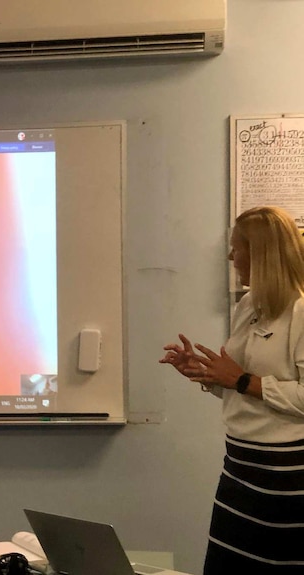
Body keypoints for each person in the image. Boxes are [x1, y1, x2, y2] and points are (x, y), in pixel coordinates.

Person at [159, 206, 304, 574]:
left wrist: (239, 380)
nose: (230, 257)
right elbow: (241, 384)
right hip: (239, 468)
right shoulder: (248, 305)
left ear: (261, 253)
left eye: (236, 247)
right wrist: (209, 377)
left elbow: (261, 386)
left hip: (286, 480)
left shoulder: (301, 311)